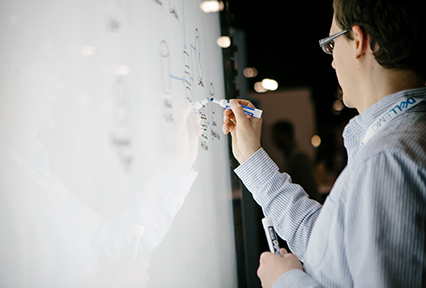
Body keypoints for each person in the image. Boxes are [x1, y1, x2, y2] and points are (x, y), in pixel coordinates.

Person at [222, 0, 426, 286]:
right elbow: (330, 245)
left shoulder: (387, 161)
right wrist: (251, 156)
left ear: (359, 42)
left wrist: (285, 281)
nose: (330, 60)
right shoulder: (399, 143)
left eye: (331, 44)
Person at [271, 120, 320, 202]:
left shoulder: (298, 157)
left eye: (276, 136)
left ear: (285, 136)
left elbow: (310, 189)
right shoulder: (289, 156)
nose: (273, 141)